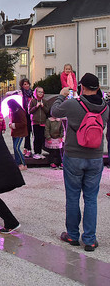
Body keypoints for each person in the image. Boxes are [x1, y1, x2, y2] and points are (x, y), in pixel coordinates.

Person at [51, 73, 109, 251]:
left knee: (73, 197)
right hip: (95, 157)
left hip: (74, 156)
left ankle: (73, 235)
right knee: (91, 199)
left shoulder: (73, 103)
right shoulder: (105, 108)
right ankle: (90, 239)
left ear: (81, 87)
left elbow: (54, 111)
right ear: (98, 88)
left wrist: (61, 94)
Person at [28, 86, 50, 159]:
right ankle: (36, 152)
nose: (40, 93)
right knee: (36, 138)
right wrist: (36, 107)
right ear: (36, 92)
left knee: (41, 138)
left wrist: (43, 106)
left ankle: (40, 152)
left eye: (42, 92)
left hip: (43, 122)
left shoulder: (45, 101)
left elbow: (47, 111)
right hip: (35, 122)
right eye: (39, 92)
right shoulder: (33, 101)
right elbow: (30, 111)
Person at [7, 99, 27, 171]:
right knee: (15, 148)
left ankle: (23, 163)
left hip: (20, 132)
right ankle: (18, 163)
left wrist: (14, 125)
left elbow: (24, 123)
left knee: (17, 147)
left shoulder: (20, 111)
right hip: (15, 132)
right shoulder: (13, 111)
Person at [18, 78, 34, 157]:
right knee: (26, 132)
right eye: (24, 84)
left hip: (32, 114)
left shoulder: (32, 93)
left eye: (27, 84)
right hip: (24, 114)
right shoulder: (21, 93)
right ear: (22, 85)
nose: (26, 85)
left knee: (30, 132)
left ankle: (28, 148)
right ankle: (27, 148)